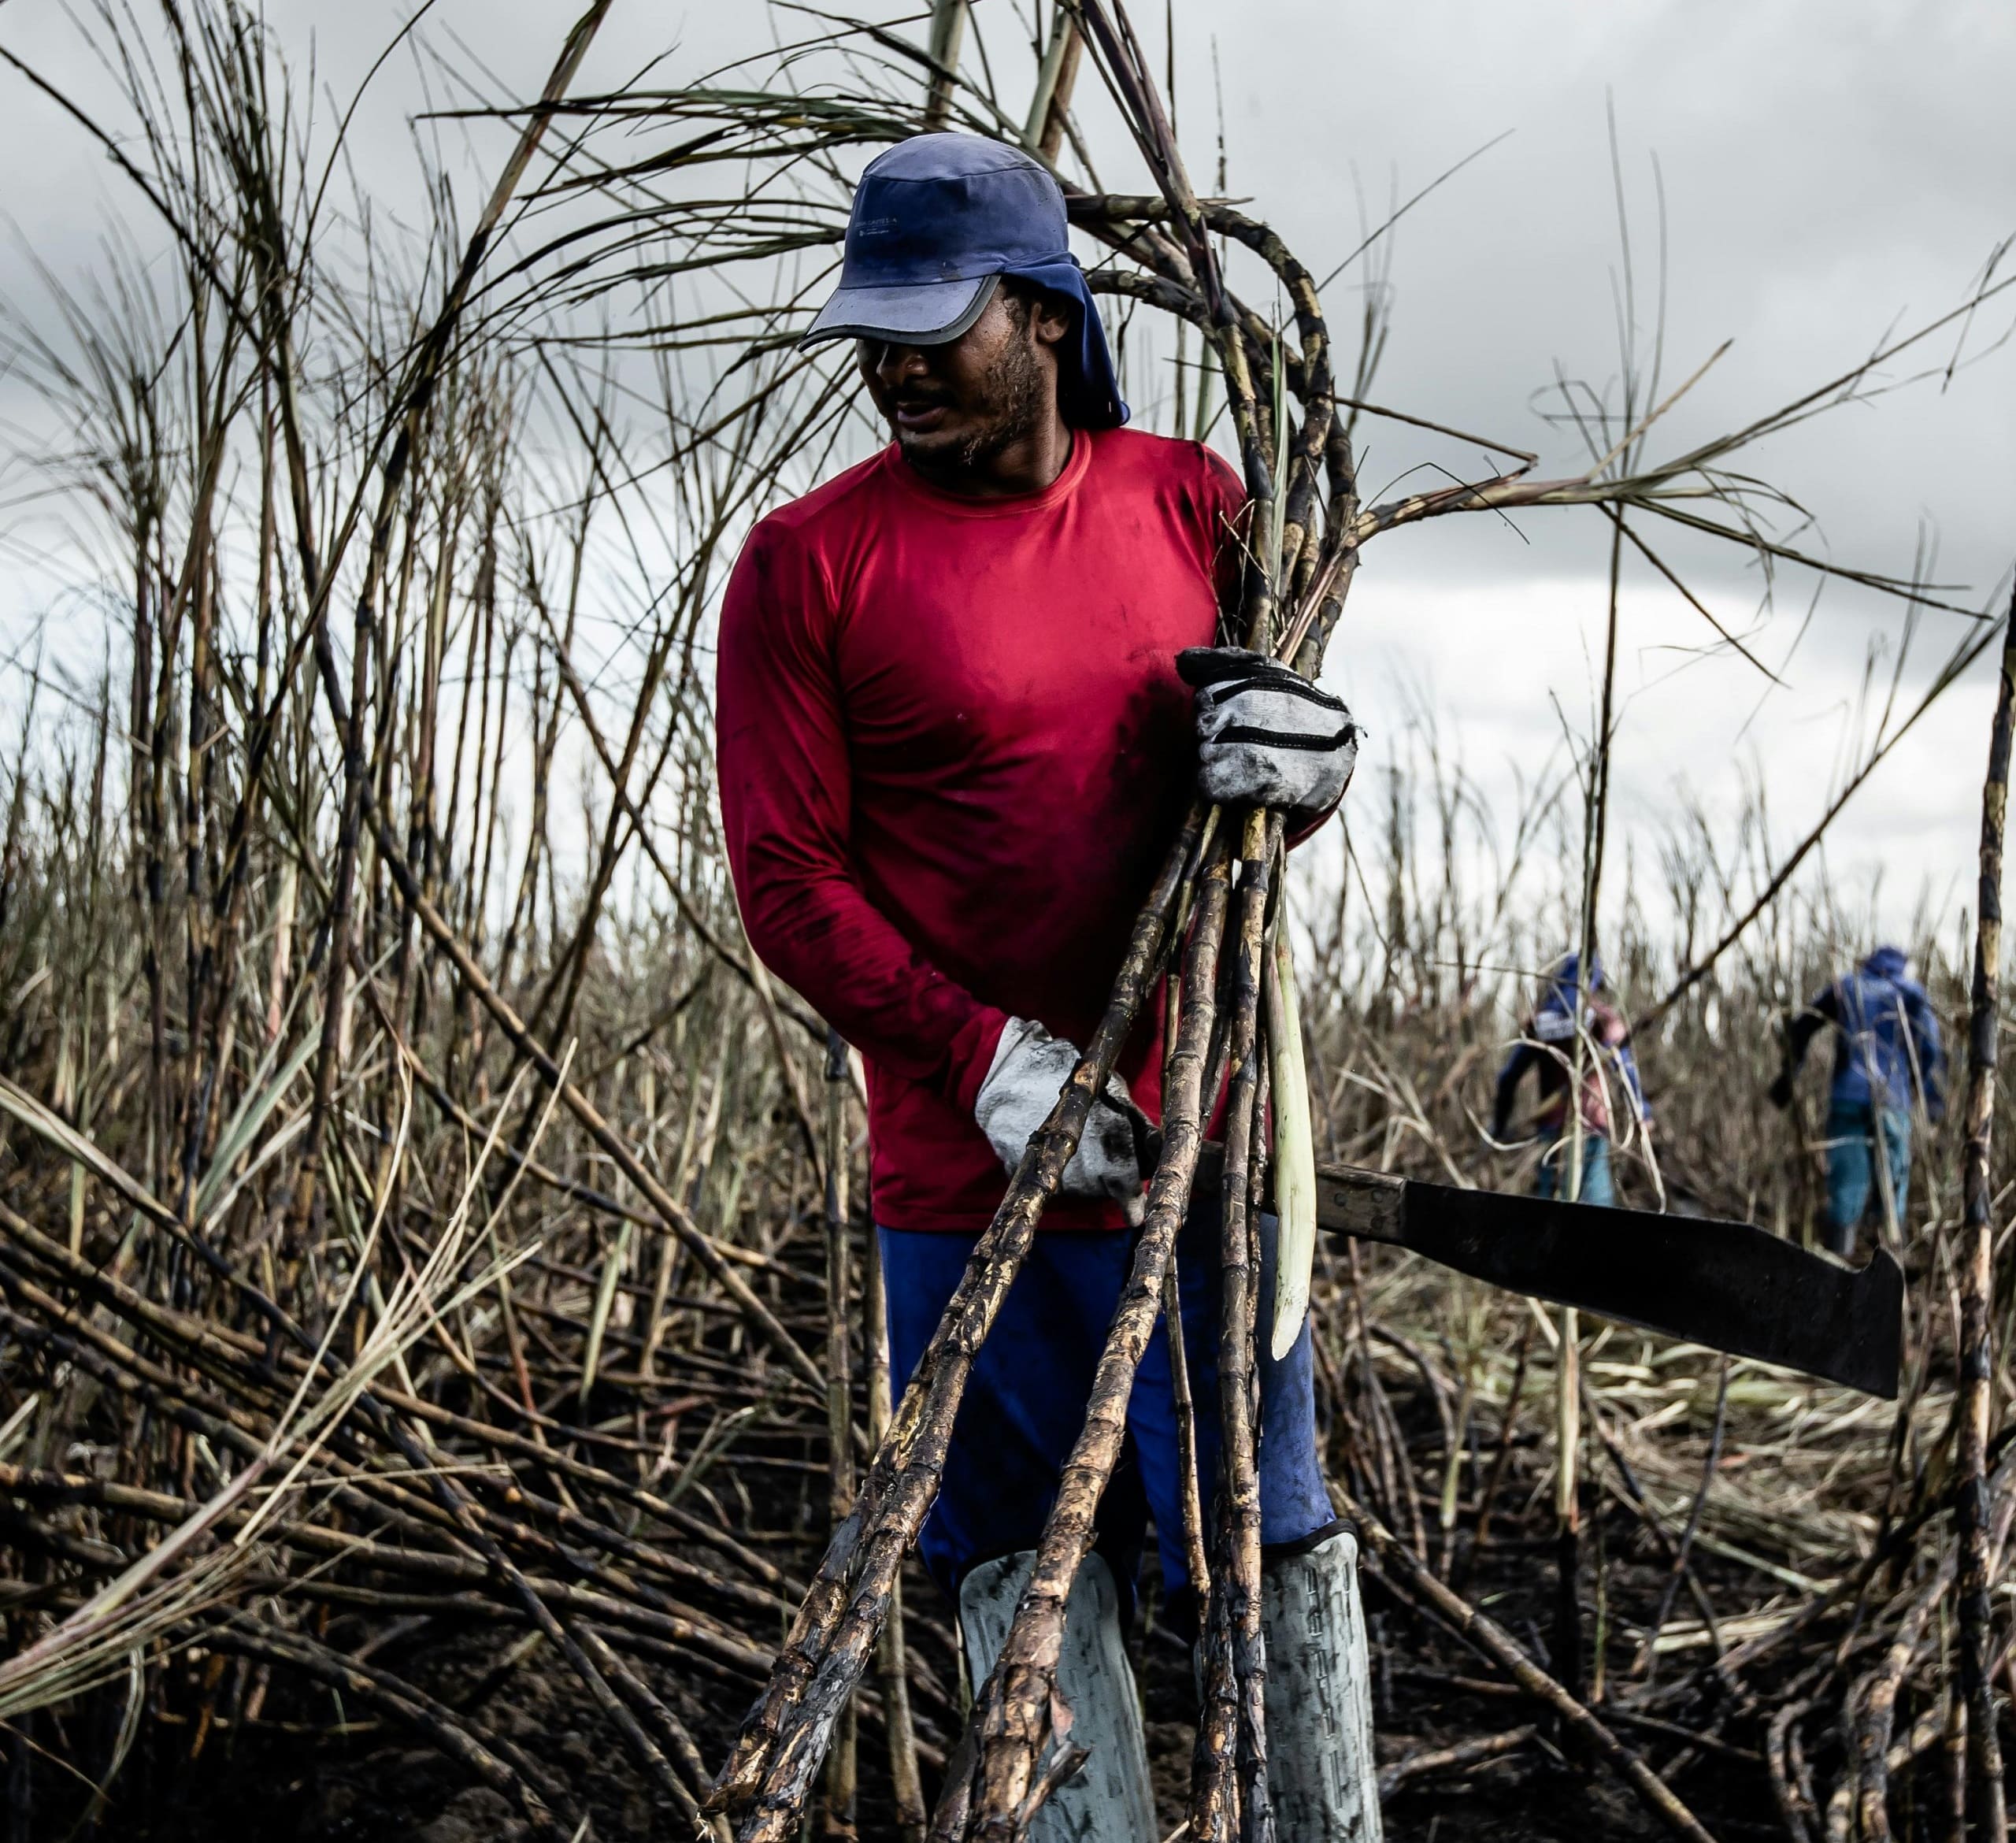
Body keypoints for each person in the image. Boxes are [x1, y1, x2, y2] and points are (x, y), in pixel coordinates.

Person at [717, 135, 1377, 1840]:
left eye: (936, 321)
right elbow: (785, 881)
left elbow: (1261, 807)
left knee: (1272, 1562)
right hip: (964, 1194)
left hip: (1204, 1164)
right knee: (1017, 1583)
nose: (895, 363)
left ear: (1043, 316)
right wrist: (985, 1063)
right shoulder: (805, 568)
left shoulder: (1197, 503)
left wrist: (1310, 772)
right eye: (871, 323)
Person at [1770, 945, 1944, 1256]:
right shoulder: (1910, 992)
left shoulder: (1848, 985)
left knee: (1846, 1186)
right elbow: (1930, 1044)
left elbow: (1804, 1024)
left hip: (1848, 1096)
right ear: (1902, 966)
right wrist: (1926, 1091)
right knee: (1892, 1186)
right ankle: (1888, 1268)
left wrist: (1789, 1075)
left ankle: (1840, 1262)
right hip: (1893, 1099)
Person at [1489, 951, 1651, 1208]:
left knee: (1549, 1208)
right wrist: (1640, 1109)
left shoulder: (1540, 1021)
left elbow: (1508, 1077)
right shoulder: (1602, 1019)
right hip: (1591, 1127)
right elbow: (1624, 1067)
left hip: (1550, 1128)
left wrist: (1498, 1125)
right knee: (1596, 1211)